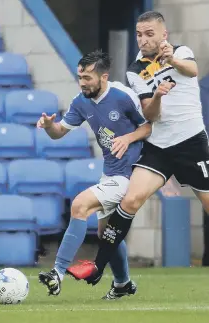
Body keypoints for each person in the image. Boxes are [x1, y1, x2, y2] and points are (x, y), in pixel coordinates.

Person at [67, 11, 209, 286]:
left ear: (163, 35)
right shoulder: (135, 69)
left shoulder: (182, 51)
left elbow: (193, 71)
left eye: (149, 34)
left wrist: (172, 60)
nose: (143, 40)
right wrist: (157, 95)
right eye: (139, 34)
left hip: (192, 143)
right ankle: (98, 267)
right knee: (129, 201)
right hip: (160, 146)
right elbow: (151, 115)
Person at [37, 50, 172, 299]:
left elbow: (149, 125)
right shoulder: (81, 101)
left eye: (88, 77)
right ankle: (122, 284)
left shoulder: (123, 96)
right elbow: (59, 132)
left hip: (129, 174)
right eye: (80, 77)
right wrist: (48, 127)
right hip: (110, 172)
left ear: (104, 76)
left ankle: (57, 272)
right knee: (106, 232)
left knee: (79, 205)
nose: (82, 82)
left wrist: (128, 138)